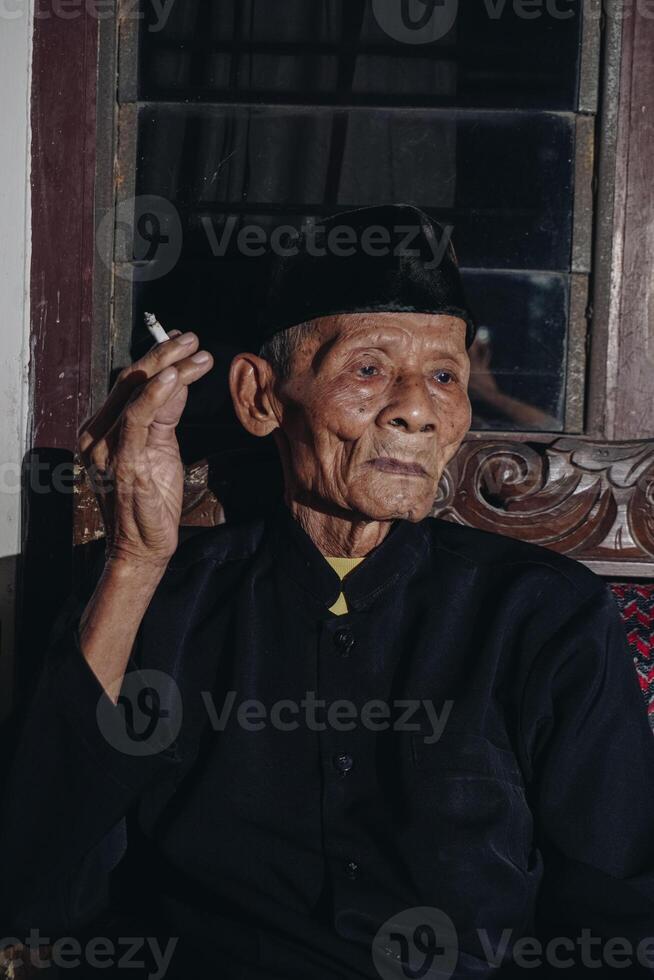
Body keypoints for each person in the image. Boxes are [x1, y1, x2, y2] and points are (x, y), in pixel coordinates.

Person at [1, 204, 653, 979]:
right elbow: (37, 888)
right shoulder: (167, 598)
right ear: (260, 397)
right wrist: (136, 557)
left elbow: (620, 917)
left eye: (445, 375)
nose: (417, 407)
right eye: (369, 368)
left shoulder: (541, 614)